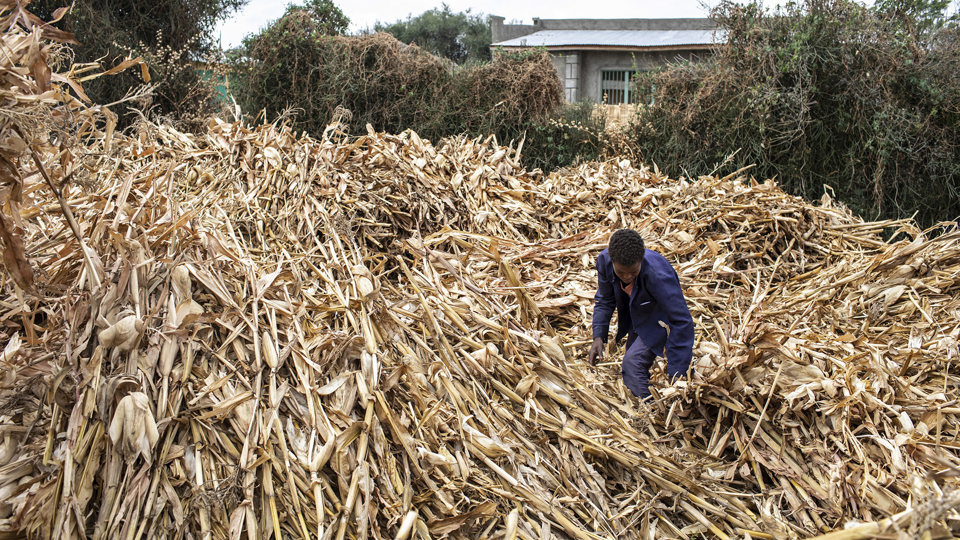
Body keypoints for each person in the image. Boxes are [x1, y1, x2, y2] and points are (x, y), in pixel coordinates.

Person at [588, 228, 694, 400]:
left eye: (633, 271)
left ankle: (652, 411)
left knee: (632, 365)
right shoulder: (604, 262)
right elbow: (605, 300)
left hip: (659, 318)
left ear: (641, 260)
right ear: (612, 260)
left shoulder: (658, 275)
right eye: (621, 272)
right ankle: (651, 402)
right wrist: (598, 336)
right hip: (637, 315)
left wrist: (678, 377)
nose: (627, 277)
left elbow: (681, 320)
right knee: (630, 372)